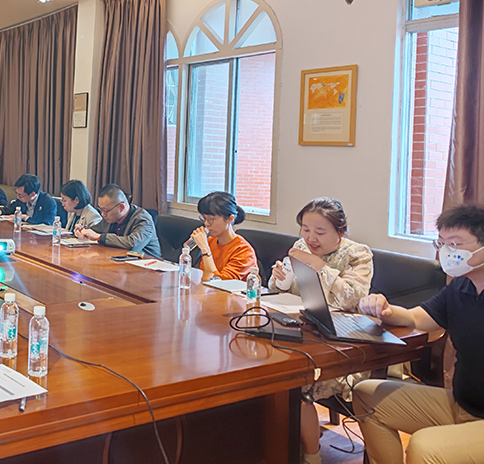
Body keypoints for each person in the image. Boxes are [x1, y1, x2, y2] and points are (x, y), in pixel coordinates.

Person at [354, 205, 484, 464]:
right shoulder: (461, 287)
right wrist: (385, 309)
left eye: (455, 244)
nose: (447, 252)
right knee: (366, 395)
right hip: (462, 405)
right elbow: (416, 318)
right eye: (442, 244)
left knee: (425, 447)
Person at [270, 197, 373, 463]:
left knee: (294, 381)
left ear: (341, 231)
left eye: (320, 231)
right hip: (301, 332)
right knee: (264, 367)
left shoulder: (358, 254)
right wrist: (280, 279)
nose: (310, 238)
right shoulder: (300, 247)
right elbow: (288, 290)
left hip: (343, 345)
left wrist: (319, 266)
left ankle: (311, 455)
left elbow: (351, 298)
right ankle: (272, 445)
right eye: (305, 229)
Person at [75, 184, 161, 258]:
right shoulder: (110, 218)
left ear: (121, 207)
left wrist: (99, 237)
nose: (103, 214)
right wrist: (82, 230)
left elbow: (133, 244)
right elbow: (94, 230)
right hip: (119, 262)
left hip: (147, 266)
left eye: (106, 210)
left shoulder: (143, 219)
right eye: (101, 210)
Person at [189, 191, 256, 281]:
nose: (207, 224)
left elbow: (219, 282)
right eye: (204, 218)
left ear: (230, 219)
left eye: (212, 219)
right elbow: (203, 276)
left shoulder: (244, 251)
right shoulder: (210, 241)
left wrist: (205, 249)